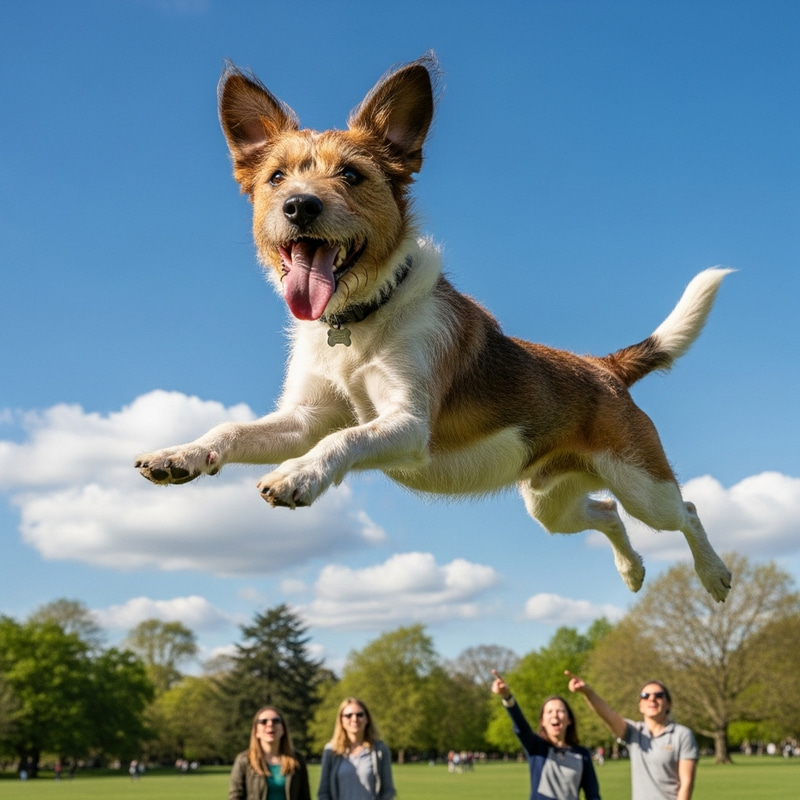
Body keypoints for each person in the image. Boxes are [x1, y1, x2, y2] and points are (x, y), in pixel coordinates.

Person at [566, 671, 697, 800]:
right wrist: (587, 692)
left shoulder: (682, 735)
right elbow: (608, 715)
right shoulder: (634, 732)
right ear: (640, 706)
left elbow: (686, 783)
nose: (652, 699)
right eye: (645, 695)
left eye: (658, 695)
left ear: (668, 703)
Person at [491, 669, 601, 800]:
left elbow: (593, 795)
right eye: (549, 712)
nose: (555, 715)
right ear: (542, 721)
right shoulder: (537, 747)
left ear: (569, 720)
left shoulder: (582, 754)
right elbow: (521, 726)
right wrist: (507, 697)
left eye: (560, 711)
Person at [318, 697, 396, 800]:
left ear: (367, 719)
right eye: (348, 715)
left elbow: (388, 791)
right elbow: (324, 792)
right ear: (341, 720)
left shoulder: (380, 750)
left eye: (360, 715)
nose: (354, 719)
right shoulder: (331, 750)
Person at [228, 706, 311, 800]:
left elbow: (305, 797)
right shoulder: (244, 761)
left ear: (283, 729)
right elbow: (235, 797)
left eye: (276, 721)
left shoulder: (297, 760)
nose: (270, 724)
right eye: (263, 721)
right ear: (256, 731)